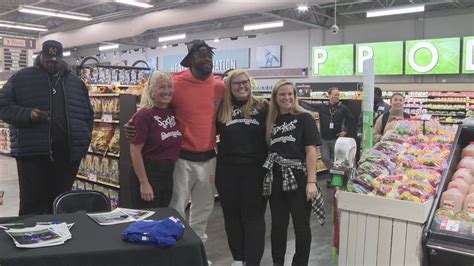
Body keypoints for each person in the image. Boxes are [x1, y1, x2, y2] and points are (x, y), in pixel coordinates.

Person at [126, 40, 225, 246]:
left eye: (209, 55)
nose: (207, 59)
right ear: (190, 60)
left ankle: (197, 253)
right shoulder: (176, 84)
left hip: (209, 158)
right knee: (176, 209)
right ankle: (175, 251)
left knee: (203, 210)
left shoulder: (219, 86)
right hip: (181, 159)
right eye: (201, 55)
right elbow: (153, 105)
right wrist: (131, 123)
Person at [0, 40, 93, 215]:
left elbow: (88, 114)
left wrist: (83, 143)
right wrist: (28, 115)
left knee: (60, 204)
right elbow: (3, 106)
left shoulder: (75, 83)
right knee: (31, 207)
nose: (51, 65)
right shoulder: (21, 78)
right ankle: (29, 239)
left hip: (67, 157)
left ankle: (59, 238)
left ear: (61, 60)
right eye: (48, 60)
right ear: (41, 57)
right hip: (32, 156)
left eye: (55, 61)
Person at [264, 79, 321, 266]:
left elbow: (311, 151)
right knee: (278, 227)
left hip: (299, 177)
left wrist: (311, 182)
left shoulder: (305, 118)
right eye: (282, 94)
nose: (287, 97)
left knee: (301, 227)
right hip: (276, 177)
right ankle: (277, 263)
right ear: (275, 97)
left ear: (295, 96)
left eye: (290, 94)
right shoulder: (270, 120)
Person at [215, 69, 268, 266]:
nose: (242, 86)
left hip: (256, 171)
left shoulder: (263, 106)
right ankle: (238, 259)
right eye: (237, 83)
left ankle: (252, 261)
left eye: (245, 82)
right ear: (229, 86)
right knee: (232, 217)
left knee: (254, 218)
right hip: (227, 171)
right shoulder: (221, 108)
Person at [128, 71, 182, 209]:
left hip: (167, 174)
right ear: (152, 91)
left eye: (169, 87)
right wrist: (144, 183)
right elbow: (135, 149)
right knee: (148, 222)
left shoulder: (171, 111)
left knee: (162, 216)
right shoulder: (144, 115)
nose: (167, 91)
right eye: (161, 87)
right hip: (149, 173)